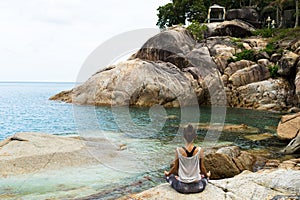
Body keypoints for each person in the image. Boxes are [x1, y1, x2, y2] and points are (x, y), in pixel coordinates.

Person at [164, 124, 211, 194]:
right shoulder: (199, 150)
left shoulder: (178, 150)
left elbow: (175, 168)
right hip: (198, 187)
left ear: (183, 136)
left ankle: (176, 178)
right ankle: (203, 177)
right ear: (195, 136)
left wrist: (168, 174)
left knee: (169, 177)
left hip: (182, 187)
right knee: (205, 177)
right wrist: (207, 175)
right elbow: (202, 168)